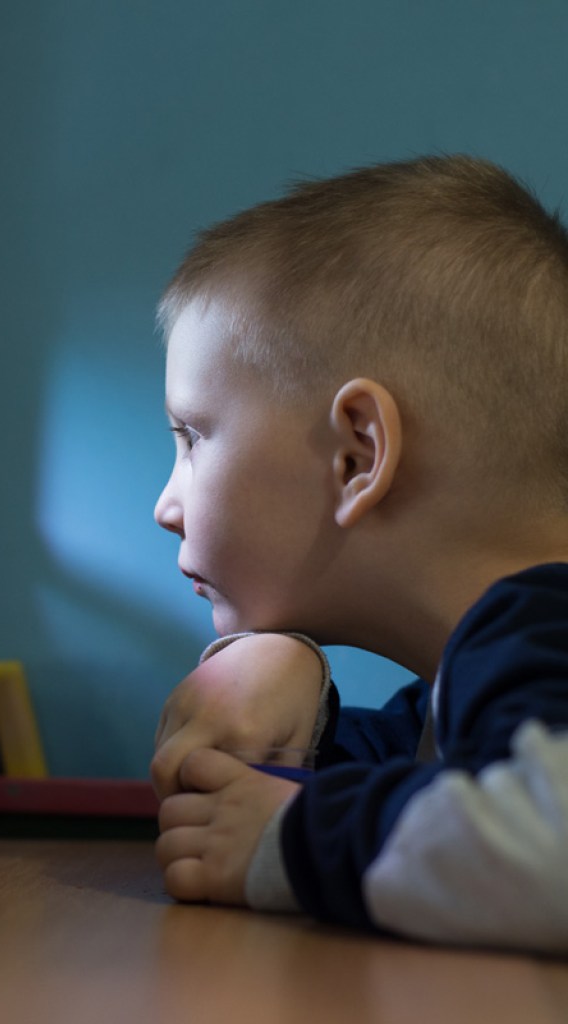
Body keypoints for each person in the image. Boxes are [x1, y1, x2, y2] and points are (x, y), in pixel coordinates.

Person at [149, 154, 568, 953]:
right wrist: (284, 684)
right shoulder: (473, 680)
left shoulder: (539, 632)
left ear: (356, 455)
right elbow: (408, 786)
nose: (166, 506)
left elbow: (552, 849)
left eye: (193, 437)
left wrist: (292, 836)